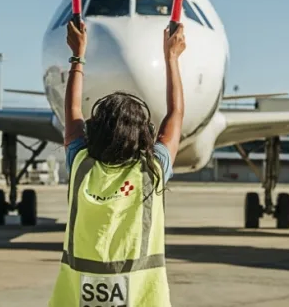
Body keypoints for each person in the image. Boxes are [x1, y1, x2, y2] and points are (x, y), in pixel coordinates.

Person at [48, 19, 186, 307]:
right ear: (144, 135)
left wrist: (77, 55)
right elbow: (175, 114)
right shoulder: (151, 171)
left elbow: (72, 110)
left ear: (95, 130)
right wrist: (171, 58)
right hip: (143, 298)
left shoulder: (81, 165)